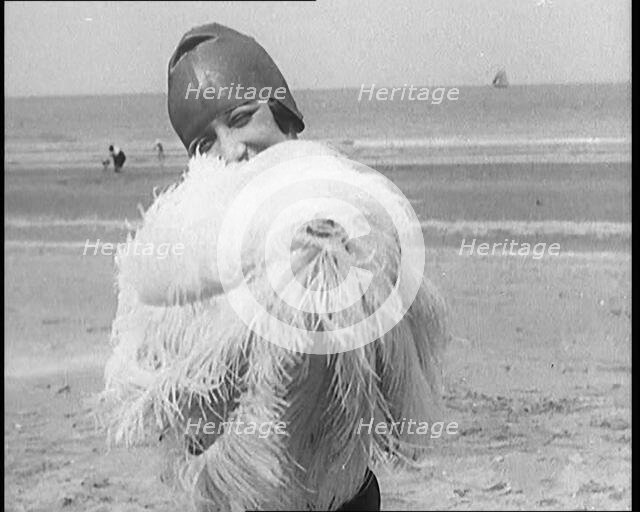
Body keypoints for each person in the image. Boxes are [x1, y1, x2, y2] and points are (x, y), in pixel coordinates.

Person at [167, 22, 381, 511]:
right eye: (204, 144)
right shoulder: (201, 262)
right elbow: (192, 426)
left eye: (241, 118)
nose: (230, 149)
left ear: (286, 118)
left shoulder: (349, 221)